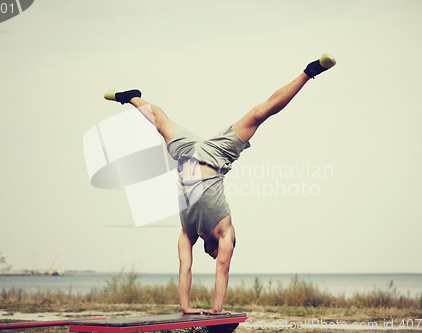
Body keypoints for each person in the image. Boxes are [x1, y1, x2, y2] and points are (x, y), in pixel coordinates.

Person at [104, 54, 336, 315]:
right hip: (217, 155)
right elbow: (223, 270)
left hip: (188, 155)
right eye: (218, 254)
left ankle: (132, 97)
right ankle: (309, 72)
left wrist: (185, 307)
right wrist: (217, 310)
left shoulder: (187, 232)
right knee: (261, 113)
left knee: (161, 123)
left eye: (214, 255)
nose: (215, 257)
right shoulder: (225, 232)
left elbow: (185, 268)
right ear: (231, 242)